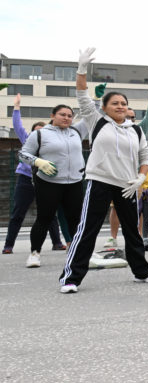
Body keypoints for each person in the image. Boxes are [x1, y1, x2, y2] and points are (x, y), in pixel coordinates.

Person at [60, 48, 148, 293]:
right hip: (100, 181)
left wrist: (141, 177)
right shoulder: (97, 121)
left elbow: (144, 156)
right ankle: (71, 278)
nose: (120, 106)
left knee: (133, 231)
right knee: (88, 230)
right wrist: (81, 69)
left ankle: (142, 271)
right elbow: (82, 94)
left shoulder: (136, 130)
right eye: (115, 103)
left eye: (124, 104)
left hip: (127, 186)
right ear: (104, 107)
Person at [18, 102, 88, 267]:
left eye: (70, 116)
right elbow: (22, 154)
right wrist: (38, 162)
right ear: (52, 116)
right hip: (49, 183)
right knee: (44, 218)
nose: (66, 118)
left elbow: (90, 115)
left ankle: (76, 253)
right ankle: (34, 253)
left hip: (74, 182)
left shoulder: (76, 131)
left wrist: (97, 99)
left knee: (75, 219)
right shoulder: (40, 134)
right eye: (62, 114)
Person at [5, 95, 69, 255]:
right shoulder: (28, 140)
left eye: (42, 131)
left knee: (50, 213)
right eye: (36, 131)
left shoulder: (51, 143)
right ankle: (8, 245)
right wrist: (16, 107)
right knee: (18, 214)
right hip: (26, 180)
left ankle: (57, 242)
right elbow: (17, 126)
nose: (39, 134)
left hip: (45, 181)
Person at [100, 79, 148, 249]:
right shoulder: (109, 128)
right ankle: (113, 237)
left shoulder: (138, 130)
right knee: (115, 208)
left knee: (136, 208)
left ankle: (137, 236)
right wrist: (98, 99)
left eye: (132, 117)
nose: (130, 119)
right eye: (127, 117)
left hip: (135, 177)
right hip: (113, 175)